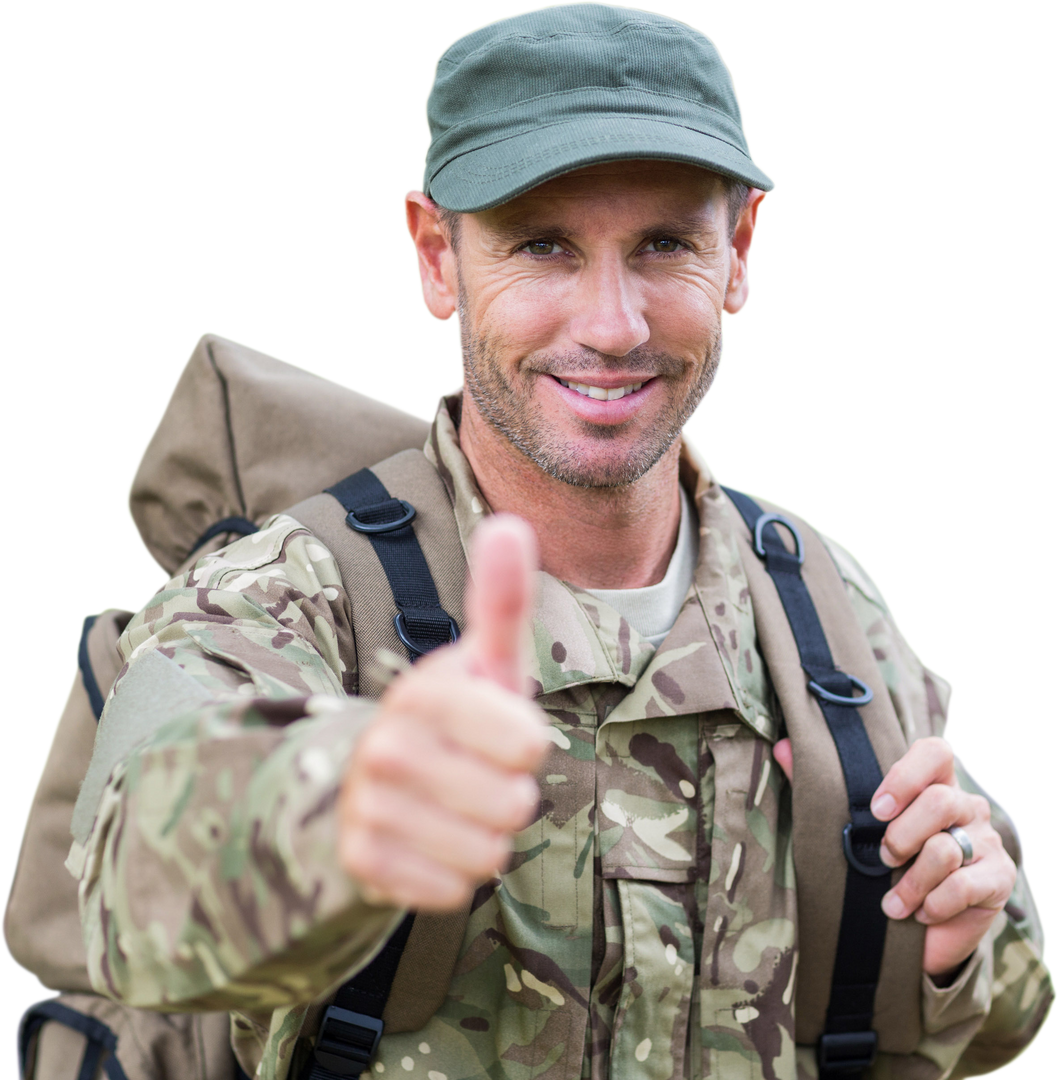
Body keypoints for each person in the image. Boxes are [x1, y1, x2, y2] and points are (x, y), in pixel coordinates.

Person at [66, 5, 1054, 1079]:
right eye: (541, 246)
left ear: (740, 253)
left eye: (664, 245)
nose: (611, 324)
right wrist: (341, 803)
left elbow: (989, 1014)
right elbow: (133, 887)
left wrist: (959, 943)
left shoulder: (824, 605)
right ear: (437, 256)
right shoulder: (284, 592)